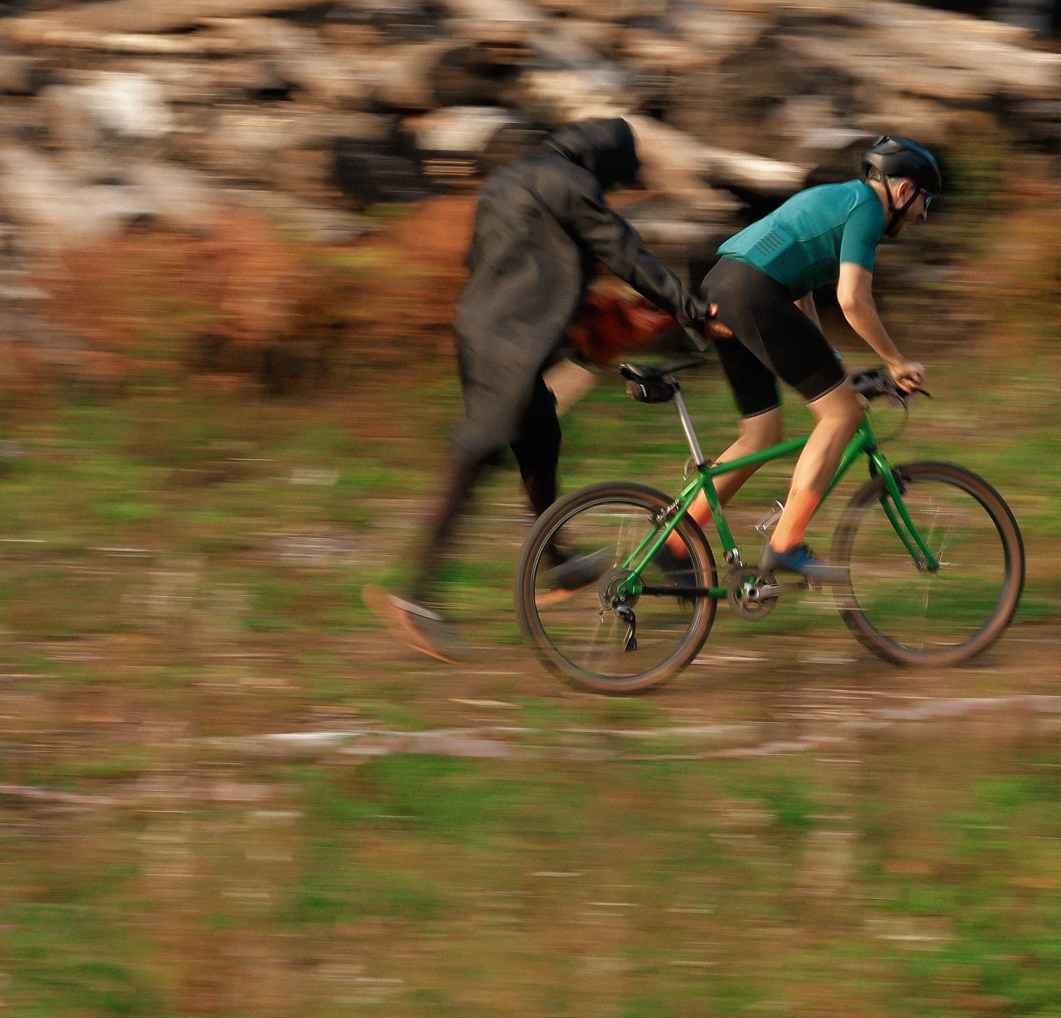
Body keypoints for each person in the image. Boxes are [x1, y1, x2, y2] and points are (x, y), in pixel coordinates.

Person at [366, 118, 715, 659]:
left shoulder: (508, 179)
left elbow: (504, 263)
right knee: (475, 459)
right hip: (514, 342)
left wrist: (576, 309)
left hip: (482, 327)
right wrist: (687, 307)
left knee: (539, 438)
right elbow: (626, 253)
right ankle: (415, 597)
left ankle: (559, 562)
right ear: (603, 161)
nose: (615, 189)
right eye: (618, 178)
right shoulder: (572, 183)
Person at [682, 135, 940, 581]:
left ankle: (674, 544)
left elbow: (799, 288)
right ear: (903, 191)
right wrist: (896, 361)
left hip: (723, 287)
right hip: (754, 295)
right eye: (925, 200)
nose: (924, 213)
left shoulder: (838, 198)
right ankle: (786, 543)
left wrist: (831, 359)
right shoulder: (867, 208)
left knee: (761, 433)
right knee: (841, 417)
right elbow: (853, 300)